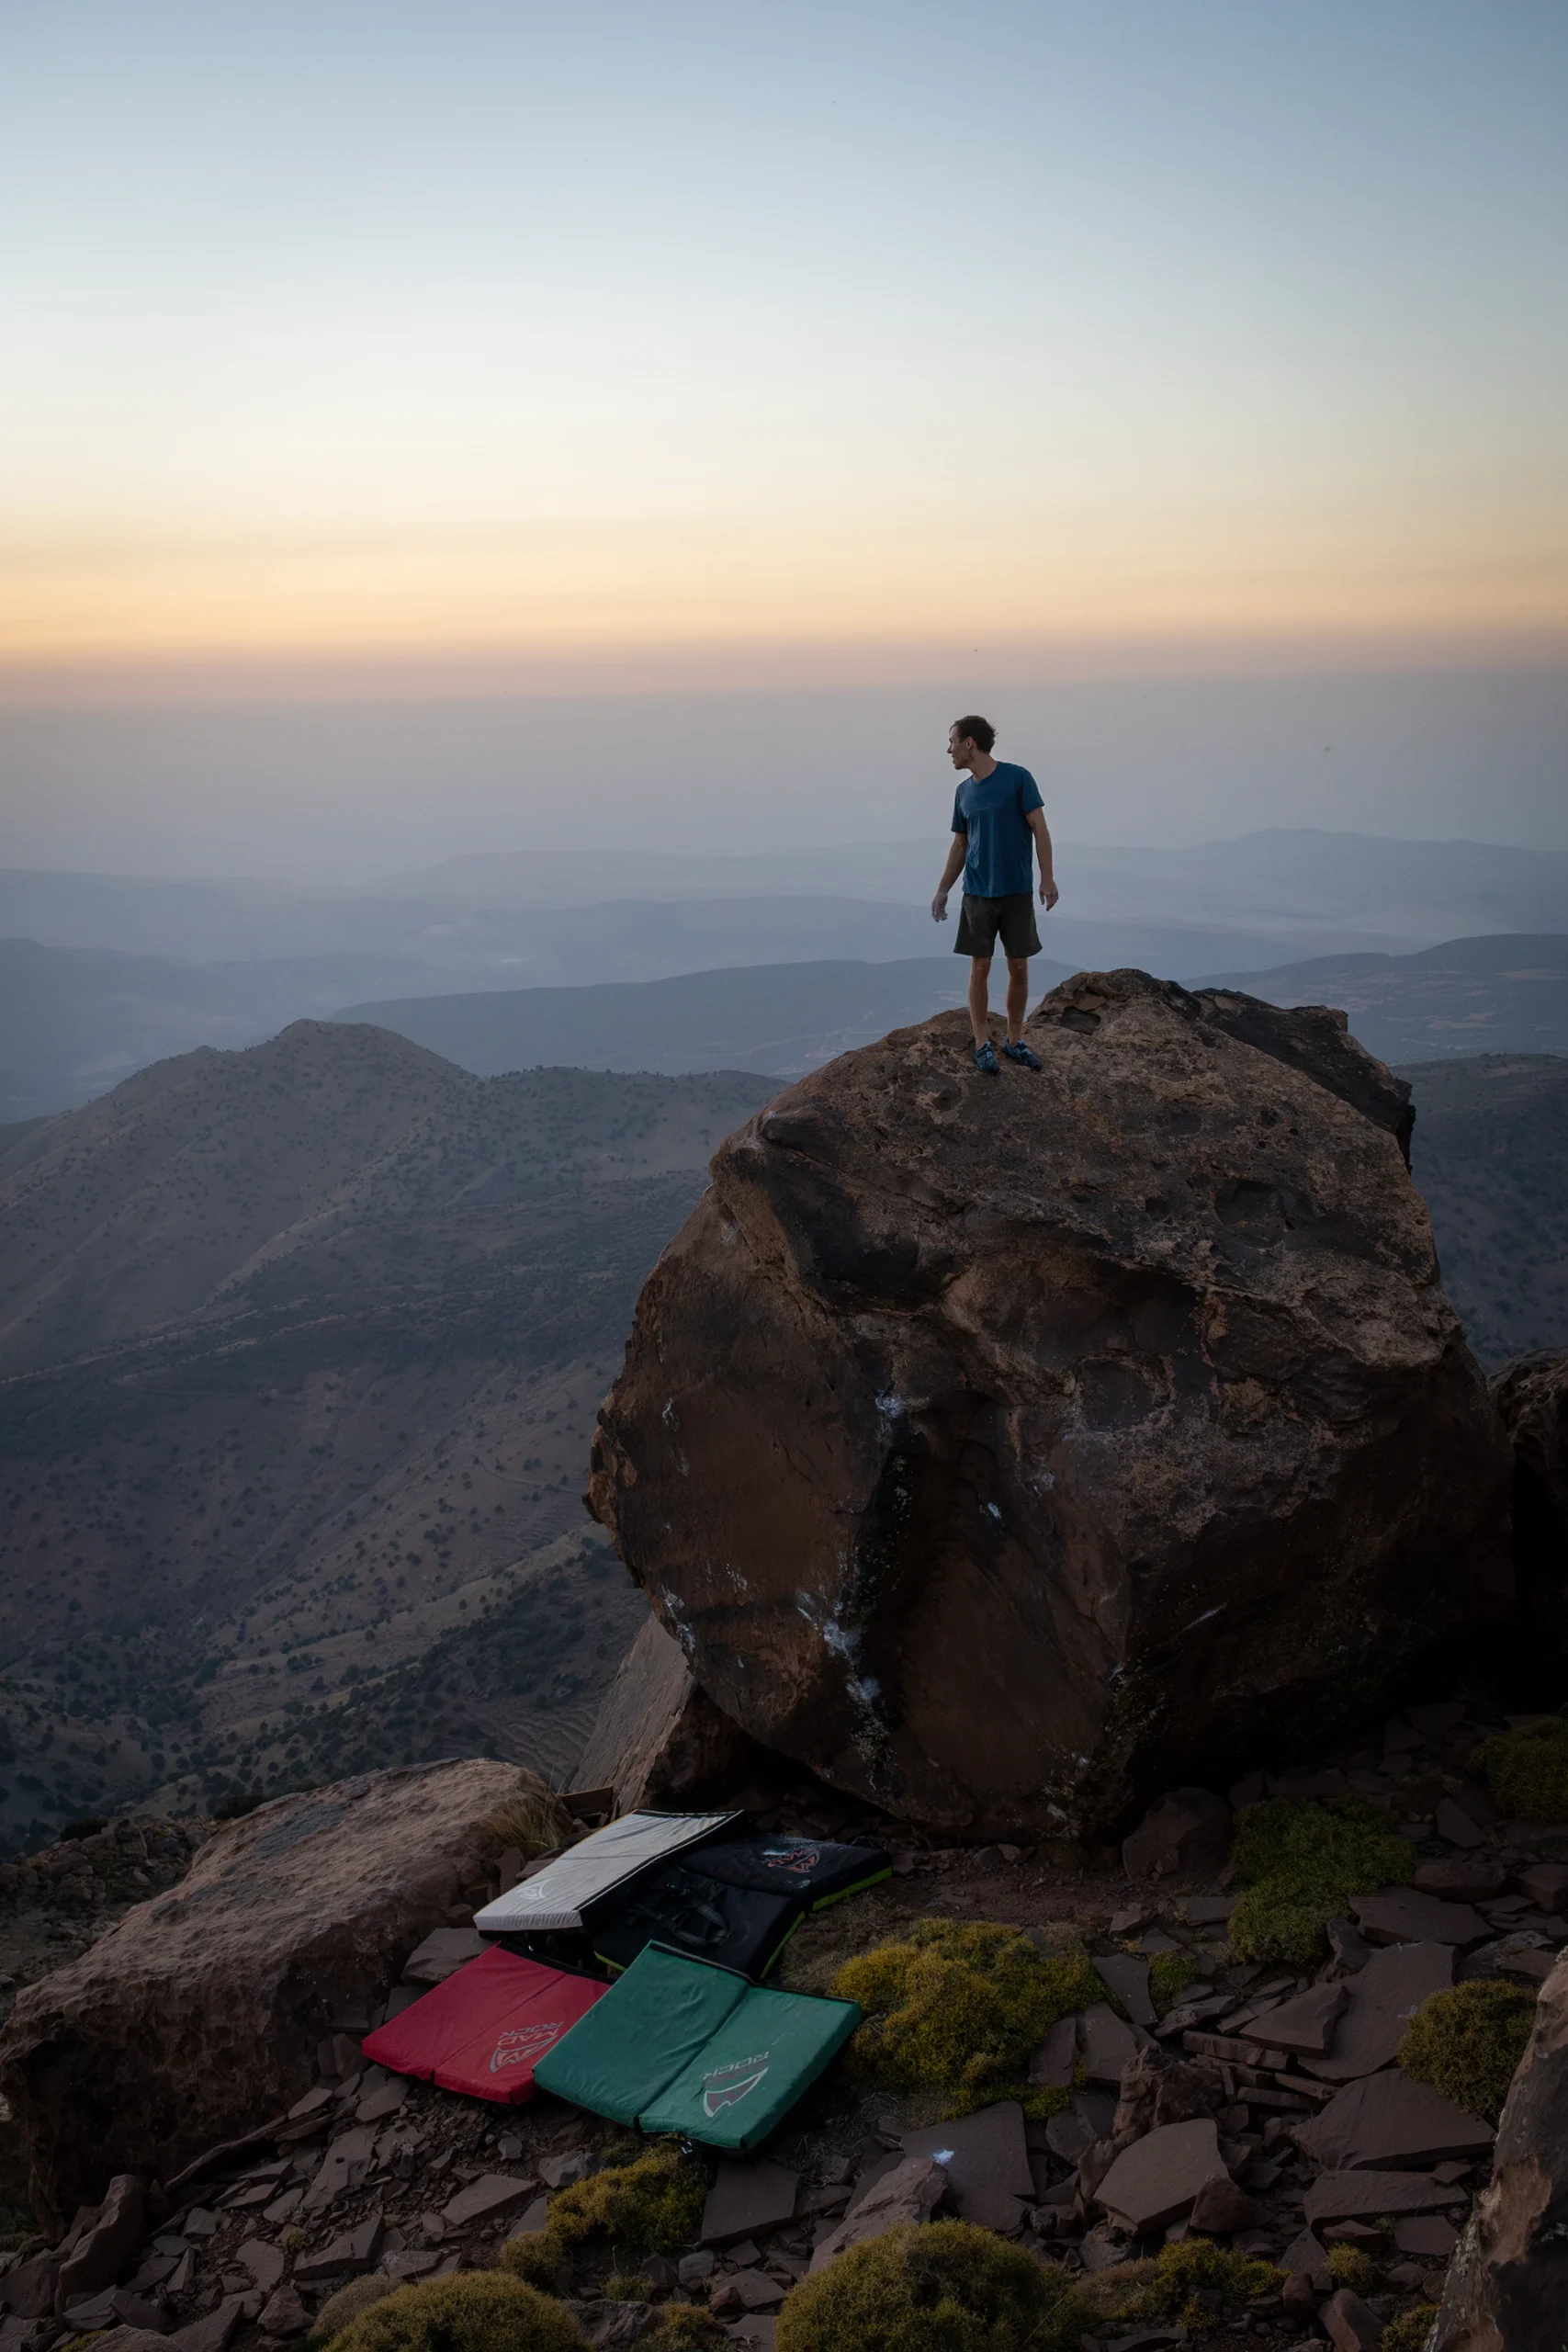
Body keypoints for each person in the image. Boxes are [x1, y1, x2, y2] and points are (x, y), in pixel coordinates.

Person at [931, 715, 1058, 1074]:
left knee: (1019, 966)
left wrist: (1047, 878)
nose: (949, 750)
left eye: (952, 741)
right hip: (977, 892)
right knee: (980, 967)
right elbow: (960, 844)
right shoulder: (963, 792)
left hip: (1016, 890)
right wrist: (943, 889)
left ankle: (1014, 1041)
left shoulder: (1018, 778)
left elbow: (1040, 828)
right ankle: (981, 1044)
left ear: (969, 743)